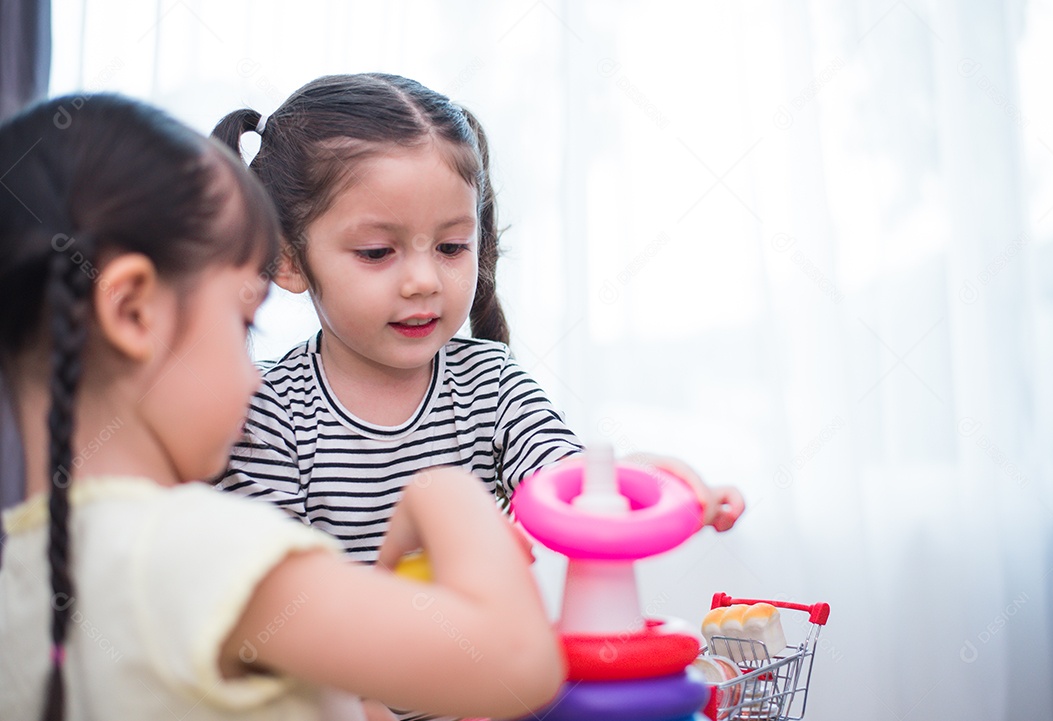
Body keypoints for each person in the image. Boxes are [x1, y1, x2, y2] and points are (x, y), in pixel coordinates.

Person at [0, 93, 564, 721]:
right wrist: (444, 494)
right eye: (243, 324)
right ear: (132, 312)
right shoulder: (207, 553)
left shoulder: (19, 581)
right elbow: (519, 663)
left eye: (452, 247)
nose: (254, 379)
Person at [212, 73, 745, 566]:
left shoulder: (492, 385)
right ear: (286, 258)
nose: (424, 280)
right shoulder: (267, 415)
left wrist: (639, 480)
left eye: (450, 246)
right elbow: (279, 605)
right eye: (377, 251)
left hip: (486, 666)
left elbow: (564, 480)